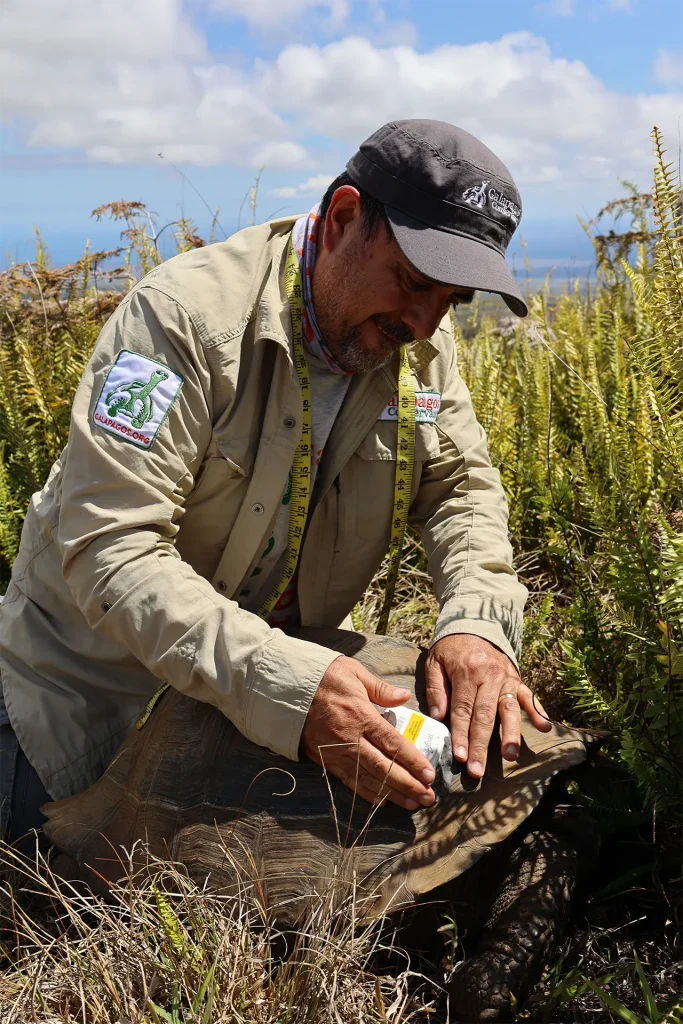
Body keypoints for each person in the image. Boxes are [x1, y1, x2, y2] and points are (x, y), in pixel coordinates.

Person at [0, 119, 550, 846]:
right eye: (414, 281)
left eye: (450, 301)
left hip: (263, 698)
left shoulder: (417, 349)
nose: (423, 322)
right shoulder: (182, 322)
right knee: (51, 897)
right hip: (93, 698)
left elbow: (457, 487)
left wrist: (478, 623)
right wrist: (283, 682)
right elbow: (112, 548)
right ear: (346, 216)